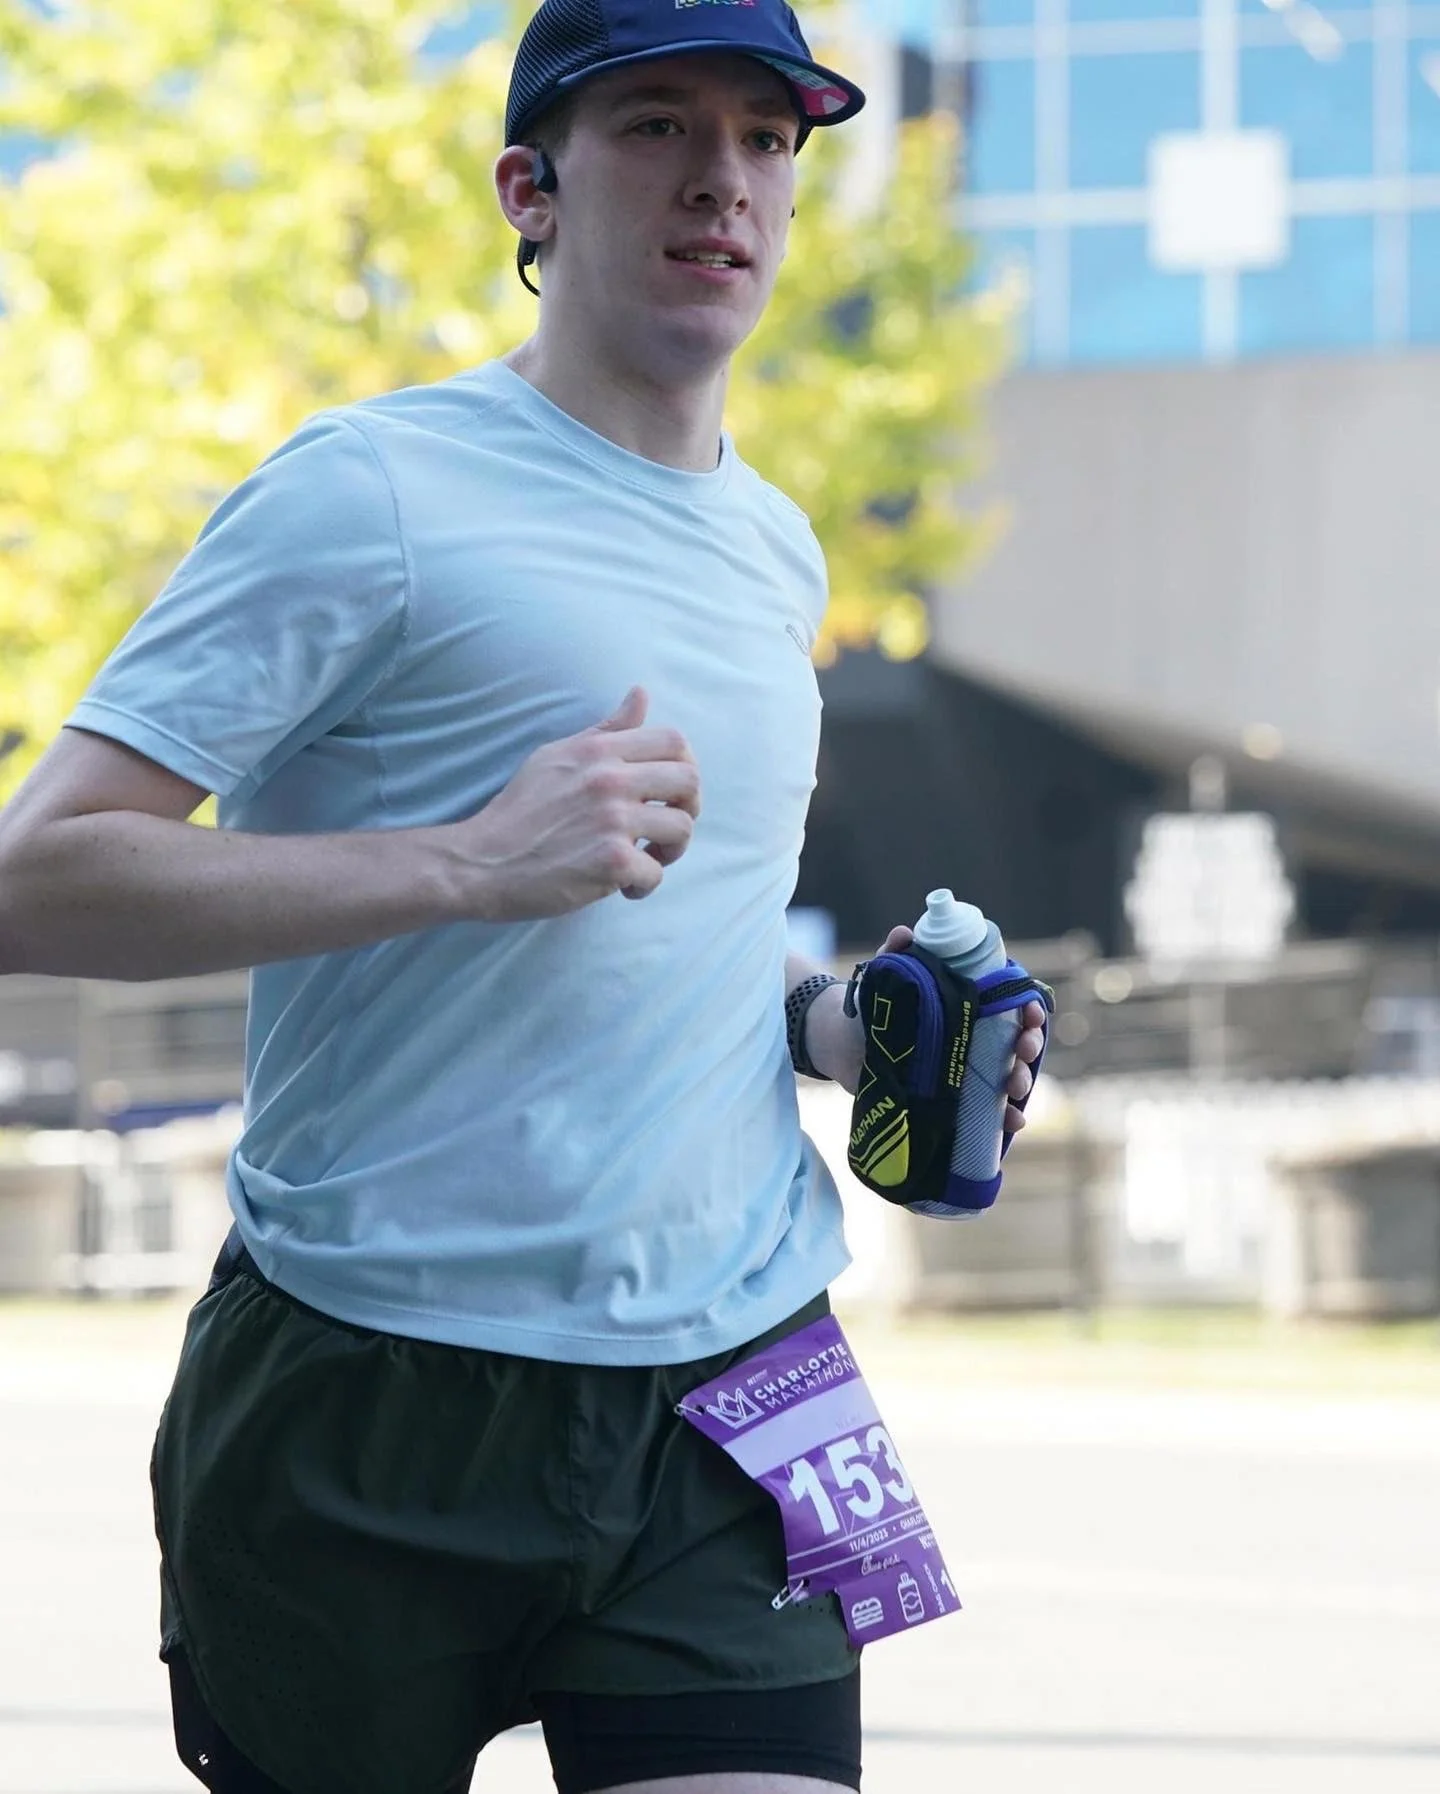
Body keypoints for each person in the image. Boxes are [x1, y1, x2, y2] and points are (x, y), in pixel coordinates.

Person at [0, 3, 1046, 1791]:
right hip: (365, 1378)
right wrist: (468, 864)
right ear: (529, 188)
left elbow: (679, 938)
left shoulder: (778, 544)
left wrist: (849, 1029)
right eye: (655, 126)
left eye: (767, 137)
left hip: (732, 1376)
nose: (722, 177)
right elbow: (40, 882)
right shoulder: (372, 489)